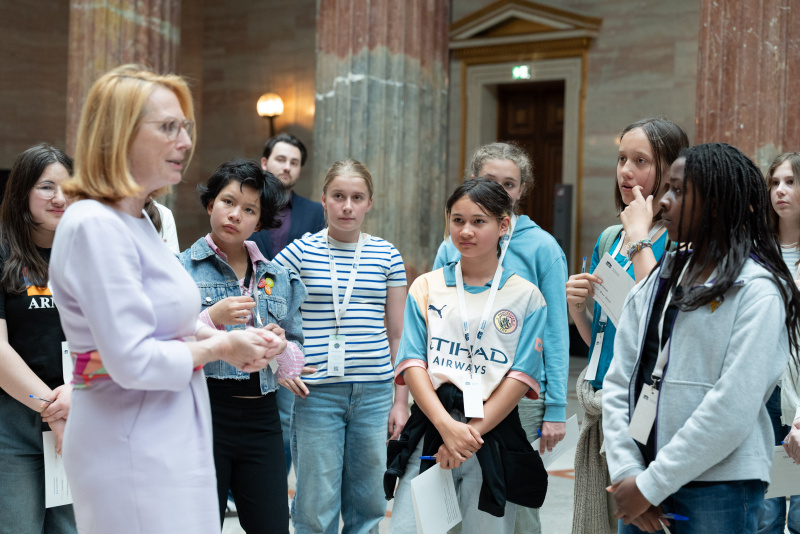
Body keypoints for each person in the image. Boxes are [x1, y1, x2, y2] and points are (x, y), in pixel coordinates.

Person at [48, 64, 282, 534]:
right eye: (169, 127)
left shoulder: (138, 220)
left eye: (186, 127)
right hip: (128, 437)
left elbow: (167, 320)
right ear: (121, 134)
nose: (185, 141)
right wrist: (221, 346)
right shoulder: (93, 223)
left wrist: (233, 340)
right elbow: (132, 358)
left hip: (169, 432)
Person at [603, 143, 800, 533]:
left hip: (718, 487)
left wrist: (651, 484)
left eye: (679, 191)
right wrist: (628, 470)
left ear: (715, 204)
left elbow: (732, 407)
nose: (663, 202)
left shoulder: (758, 289)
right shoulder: (660, 278)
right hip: (641, 473)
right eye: (667, 189)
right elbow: (620, 379)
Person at [386, 179, 548, 534]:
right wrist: (447, 428)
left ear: (503, 225)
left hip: (491, 432)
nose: (466, 231)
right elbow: (412, 363)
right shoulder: (426, 286)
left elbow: (520, 376)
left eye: (478, 221)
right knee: (408, 527)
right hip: (432, 426)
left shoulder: (527, 297)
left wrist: (467, 436)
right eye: (457, 220)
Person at [432, 142, 568, 534]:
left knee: (516, 501)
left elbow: (555, 330)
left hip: (520, 396)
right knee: (456, 494)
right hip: (459, 389)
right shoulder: (453, 244)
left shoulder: (542, 247)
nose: (501, 191)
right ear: (473, 180)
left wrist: (556, 407)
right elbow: (436, 320)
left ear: (522, 190)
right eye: (491, 181)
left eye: (509, 184)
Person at [565, 118, 688, 532]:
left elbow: (659, 317)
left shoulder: (675, 241)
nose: (626, 172)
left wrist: (640, 236)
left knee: (638, 518)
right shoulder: (609, 237)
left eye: (640, 161)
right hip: (601, 396)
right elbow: (603, 338)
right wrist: (578, 311)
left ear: (670, 170)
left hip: (645, 405)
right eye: (621, 159)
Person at [272, 158, 408, 534]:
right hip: (317, 395)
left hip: (374, 394)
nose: (347, 206)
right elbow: (264, 307)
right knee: (316, 504)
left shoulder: (387, 255)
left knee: (369, 502)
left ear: (369, 203)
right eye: (338, 196)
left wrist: (401, 401)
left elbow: (399, 334)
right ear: (324, 200)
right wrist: (282, 361)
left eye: (357, 197)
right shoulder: (298, 253)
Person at [177, 158, 306, 532]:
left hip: (262, 417)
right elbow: (167, 343)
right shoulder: (180, 270)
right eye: (228, 202)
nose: (235, 215)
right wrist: (211, 317)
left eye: (249, 210)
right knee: (197, 526)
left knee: (272, 526)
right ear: (210, 204)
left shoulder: (277, 277)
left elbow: (294, 360)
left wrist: (281, 347)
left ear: (259, 222)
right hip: (202, 412)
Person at [0, 144, 76, 534]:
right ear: (22, 191)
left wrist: (77, 394)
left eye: (68, 188)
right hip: (14, 423)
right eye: (47, 187)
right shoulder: (3, 253)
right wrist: (53, 409)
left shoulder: (87, 256)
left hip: (81, 411)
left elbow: (110, 340)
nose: (60, 198)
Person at [249, 132, 325, 488]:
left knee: (285, 415)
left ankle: (273, 486)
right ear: (265, 163)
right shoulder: (245, 206)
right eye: (281, 159)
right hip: (246, 320)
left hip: (293, 327)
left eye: (294, 162)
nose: (287, 167)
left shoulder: (314, 213)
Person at [759, 152, 800, 534]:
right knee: (766, 515)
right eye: (774, 183)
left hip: (799, 390)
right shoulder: (756, 250)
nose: (780, 191)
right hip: (764, 388)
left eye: (790, 182)